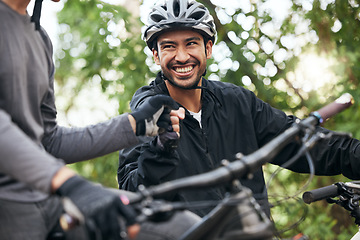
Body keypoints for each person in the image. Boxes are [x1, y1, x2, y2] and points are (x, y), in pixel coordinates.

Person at [118, 0, 360, 218]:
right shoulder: (147, 113)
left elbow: (302, 142)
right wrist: (159, 152)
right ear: (155, 55)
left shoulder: (237, 101)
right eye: (169, 46)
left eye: (191, 43)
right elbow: (131, 194)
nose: (182, 57)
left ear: (208, 49)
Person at [0, 0, 201, 239]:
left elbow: (49, 141)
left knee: (182, 227)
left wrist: (137, 123)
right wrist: (71, 184)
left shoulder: (38, 37)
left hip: (46, 198)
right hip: (10, 207)